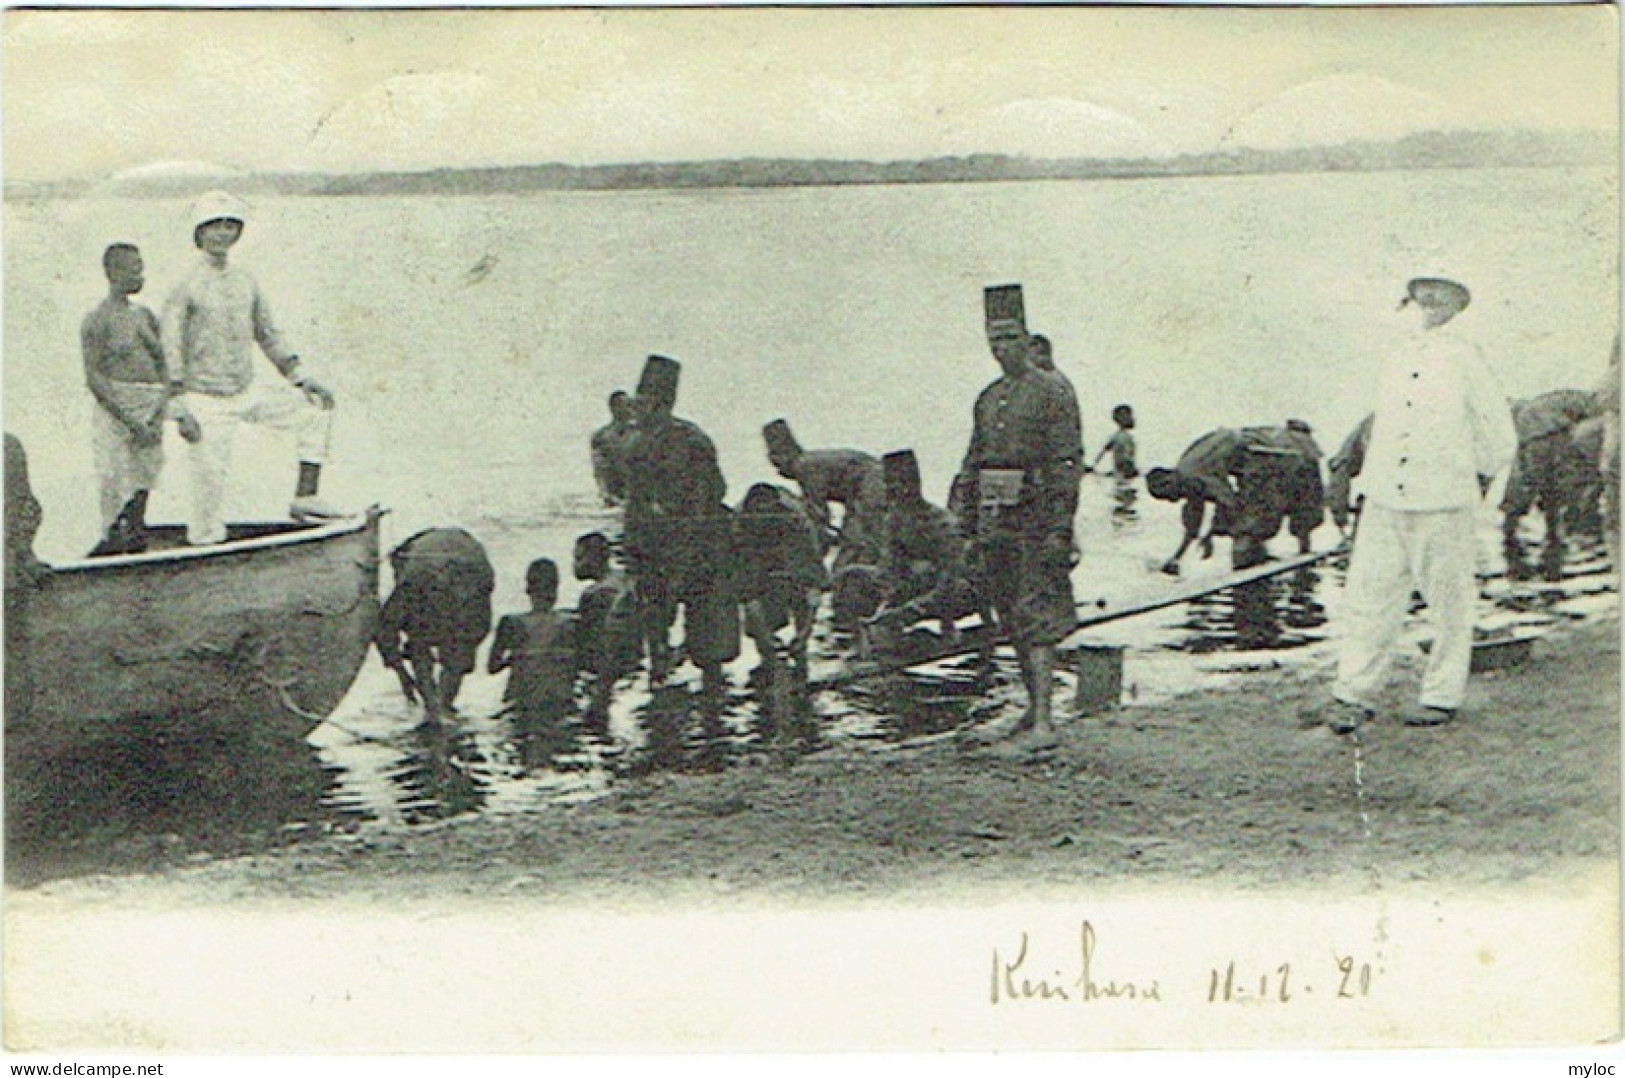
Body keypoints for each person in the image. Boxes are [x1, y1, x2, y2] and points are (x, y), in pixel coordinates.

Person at [1326, 276, 1516, 732]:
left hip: (1444, 499)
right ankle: (1353, 692)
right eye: (1422, 291)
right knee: (1370, 595)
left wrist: (1467, 481)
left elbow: (1499, 436)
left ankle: (1441, 695)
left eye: (1441, 293)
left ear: (1458, 303)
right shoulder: (1394, 355)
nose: (1430, 300)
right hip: (1385, 495)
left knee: (1449, 602)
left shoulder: (1466, 358)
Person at [161, 190, 339, 546]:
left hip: (246, 391)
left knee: (314, 409)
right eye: (214, 227)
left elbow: (268, 333)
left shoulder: (246, 280)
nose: (223, 234)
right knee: (207, 500)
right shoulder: (184, 282)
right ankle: (205, 553)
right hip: (204, 400)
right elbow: (170, 345)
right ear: (199, 233)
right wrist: (178, 404)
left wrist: (301, 377)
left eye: (230, 226)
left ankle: (305, 499)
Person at [949, 284, 1083, 754]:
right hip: (996, 520)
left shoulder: (1053, 392)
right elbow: (973, 461)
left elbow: (1068, 462)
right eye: (993, 340)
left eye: (1008, 338)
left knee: (1038, 614)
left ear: (1026, 340)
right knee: (1009, 611)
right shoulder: (989, 398)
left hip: (1037, 518)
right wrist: (964, 525)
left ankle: (1046, 720)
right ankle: (1030, 707)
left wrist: (1061, 528)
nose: (1000, 348)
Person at [623, 354, 740, 695]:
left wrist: (681, 523)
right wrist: (633, 549)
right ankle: (658, 682)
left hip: (699, 545)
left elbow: (714, 492)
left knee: (705, 625)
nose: (635, 411)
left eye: (642, 403)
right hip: (655, 549)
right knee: (655, 623)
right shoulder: (636, 444)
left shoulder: (693, 441)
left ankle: (711, 693)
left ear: (660, 405)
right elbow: (634, 503)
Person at [82, 243, 202, 555]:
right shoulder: (97, 320)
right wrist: (132, 421)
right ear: (112, 273)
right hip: (118, 412)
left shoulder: (145, 315)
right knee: (115, 478)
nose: (140, 275)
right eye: (133, 269)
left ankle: (136, 533)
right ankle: (114, 542)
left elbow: (165, 367)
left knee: (144, 477)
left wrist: (175, 412)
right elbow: (94, 378)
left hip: (151, 408)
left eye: (142, 268)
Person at [1146, 423, 1324, 575]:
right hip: (1260, 457)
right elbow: (1193, 521)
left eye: (1170, 497)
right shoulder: (1187, 475)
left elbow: (1228, 500)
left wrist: (1212, 534)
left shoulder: (1193, 474)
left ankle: (1260, 560)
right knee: (1253, 520)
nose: (1173, 501)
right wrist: (1177, 557)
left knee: (1248, 526)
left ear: (1171, 481)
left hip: (1265, 455)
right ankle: (1269, 554)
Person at [375, 527, 496, 722]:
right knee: (458, 645)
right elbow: (477, 629)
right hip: (473, 567)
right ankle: (442, 705)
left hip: (451, 571)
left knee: (419, 640)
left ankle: (434, 707)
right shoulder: (418, 564)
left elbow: (385, 629)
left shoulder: (411, 577)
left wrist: (402, 675)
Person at [864, 449, 980, 642]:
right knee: (855, 577)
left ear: (915, 484)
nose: (897, 491)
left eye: (902, 483)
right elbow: (890, 567)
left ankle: (949, 630)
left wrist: (915, 609)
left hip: (960, 590)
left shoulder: (941, 524)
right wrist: (886, 603)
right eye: (890, 484)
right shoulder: (894, 521)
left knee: (948, 582)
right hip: (923, 588)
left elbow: (952, 578)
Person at [1499, 388, 1603, 581]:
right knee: (1552, 493)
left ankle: (1518, 534)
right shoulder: (1571, 401)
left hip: (1545, 434)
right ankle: (1554, 536)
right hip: (1552, 434)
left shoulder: (1530, 413)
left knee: (1537, 490)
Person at [735, 482, 827, 692]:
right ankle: (767, 660)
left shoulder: (798, 523)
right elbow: (748, 596)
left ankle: (801, 659)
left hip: (793, 545)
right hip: (755, 553)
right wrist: (766, 639)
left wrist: (803, 636)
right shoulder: (739, 527)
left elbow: (813, 589)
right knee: (762, 601)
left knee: (799, 590)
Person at [762, 418, 886, 574]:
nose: (779, 471)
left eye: (777, 463)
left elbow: (819, 514)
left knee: (859, 538)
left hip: (869, 484)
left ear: (785, 456)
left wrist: (814, 551)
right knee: (856, 536)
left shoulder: (804, 467)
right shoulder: (808, 464)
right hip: (860, 490)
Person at [489, 558, 579, 740]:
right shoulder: (572, 623)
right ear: (555, 590)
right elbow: (589, 663)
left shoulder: (511, 623)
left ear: (528, 589)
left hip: (522, 699)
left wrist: (516, 658)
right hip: (561, 699)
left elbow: (492, 667)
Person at [573, 531, 639, 732]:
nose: (575, 565)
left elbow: (587, 638)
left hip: (607, 660)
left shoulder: (595, 593)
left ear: (593, 559)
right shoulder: (623, 579)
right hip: (632, 654)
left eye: (578, 558)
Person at [589, 390, 637, 508]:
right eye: (626, 405)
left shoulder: (640, 433)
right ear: (614, 408)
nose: (631, 409)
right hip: (615, 491)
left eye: (631, 405)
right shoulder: (601, 436)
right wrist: (605, 493)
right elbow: (599, 468)